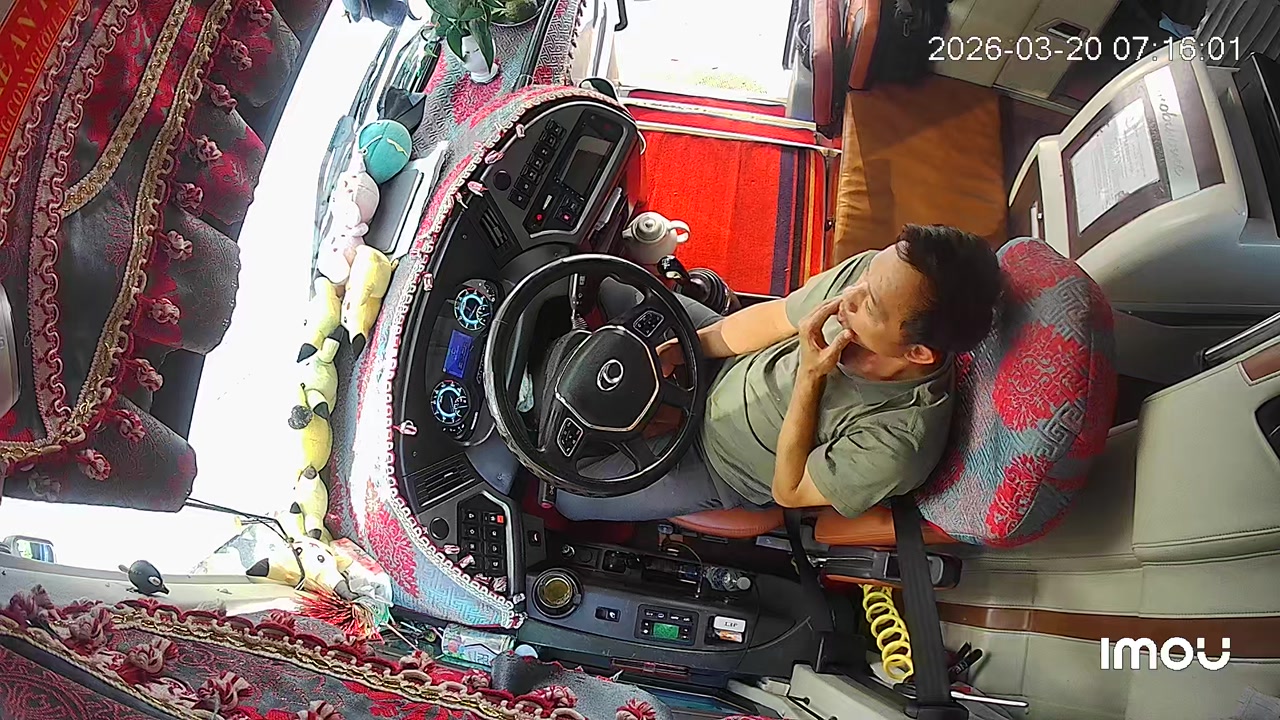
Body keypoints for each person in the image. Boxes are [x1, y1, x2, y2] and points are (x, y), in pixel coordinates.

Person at [553, 224, 1004, 522]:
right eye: (866, 275)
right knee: (614, 285)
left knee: (571, 500)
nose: (849, 295)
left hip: (718, 465)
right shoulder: (873, 279)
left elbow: (790, 491)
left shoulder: (900, 440)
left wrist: (810, 377)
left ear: (919, 352)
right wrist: (684, 350)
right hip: (729, 366)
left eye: (869, 305)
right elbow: (772, 319)